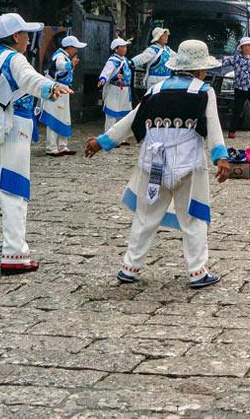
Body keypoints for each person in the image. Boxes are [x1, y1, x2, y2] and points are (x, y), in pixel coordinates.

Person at [85, 39, 230, 289]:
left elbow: (131, 120)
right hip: (188, 164)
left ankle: (129, 268)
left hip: (155, 163)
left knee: (146, 215)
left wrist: (103, 141)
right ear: (200, 69)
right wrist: (221, 157)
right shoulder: (204, 91)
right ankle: (197, 272)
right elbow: (214, 126)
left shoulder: (155, 90)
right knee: (192, 217)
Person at [0, 13, 74, 275]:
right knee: (13, 188)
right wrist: (51, 88)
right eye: (25, 34)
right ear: (16, 36)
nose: (28, 39)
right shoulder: (14, 58)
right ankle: (14, 253)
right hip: (11, 126)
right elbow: (30, 79)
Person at [42, 35, 86, 157]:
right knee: (54, 116)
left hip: (64, 88)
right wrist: (71, 64)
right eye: (75, 47)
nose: (76, 50)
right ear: (69, 47)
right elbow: (60, 65)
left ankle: (62, 145)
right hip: (56, 88)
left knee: (63, 117)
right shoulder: (59, 56)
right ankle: (51, 147)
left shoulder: (64, 56)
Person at [98, 38, 133, 133]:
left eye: (125, 46)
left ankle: (120, 137)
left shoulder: (125, 60)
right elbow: (106, 71)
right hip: (114, 90)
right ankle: (109, 136)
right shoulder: (112, 61)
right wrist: (103, 78)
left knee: (123, 116)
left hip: (125, 91)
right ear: (116, 49)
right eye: (122, 47)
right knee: (111, 115)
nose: (125, 49)